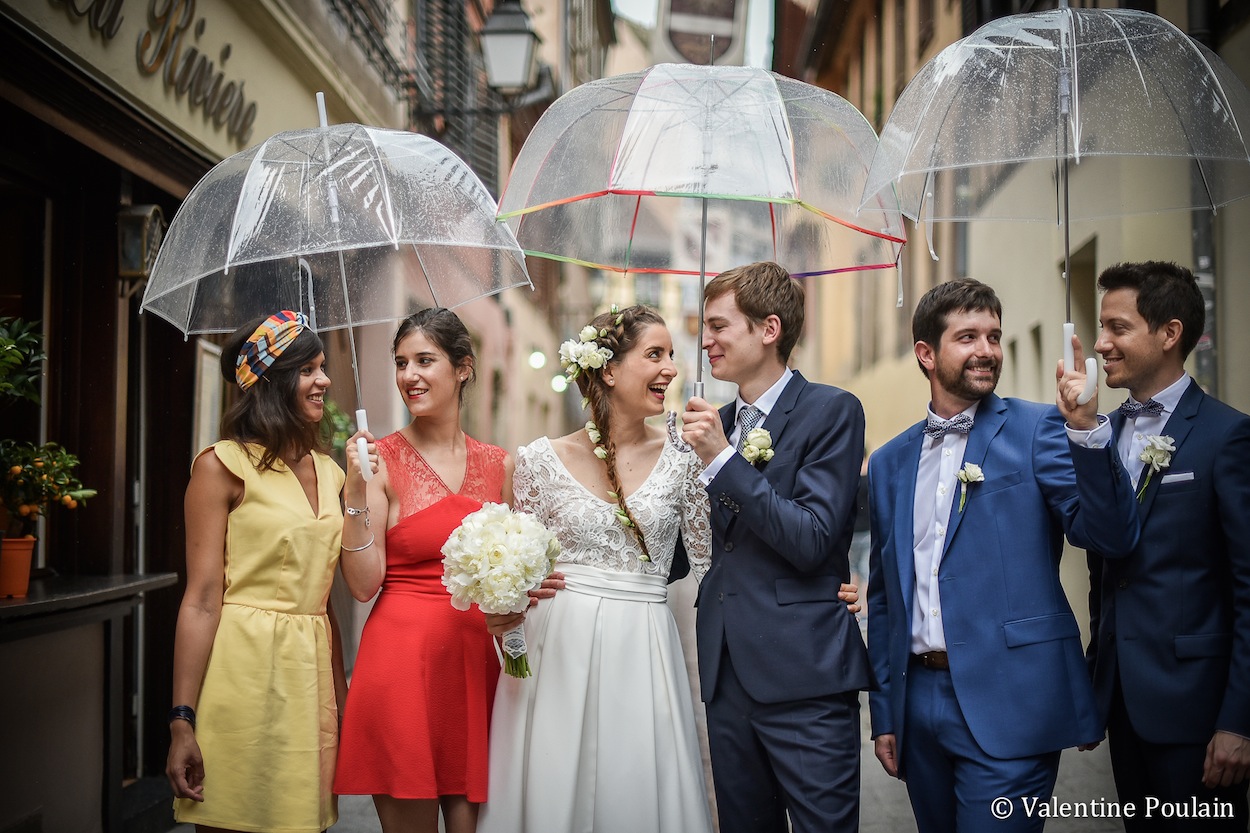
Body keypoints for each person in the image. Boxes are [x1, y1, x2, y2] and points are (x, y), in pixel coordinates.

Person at [865, 278, 1140, 832]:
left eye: (993, 336)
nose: (987, 350)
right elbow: (884, 593)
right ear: (926, 353)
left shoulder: (1040, 427)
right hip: (919, 704)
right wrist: (885, 711)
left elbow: (1109, 537)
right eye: (967, 337)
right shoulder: (891, 461)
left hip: (1013, 699)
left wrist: (1087, 432)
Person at [477, 305, 716, 833]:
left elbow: (715, 567)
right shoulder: (537, 461)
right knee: (552, 782)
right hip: (556, 651)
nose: (670, 368)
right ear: (608, 369)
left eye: (671, 355)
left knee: (635, 788)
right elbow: (515, 573)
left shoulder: (685, 458)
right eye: (654, 354)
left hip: (644, 648)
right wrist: (505, 623)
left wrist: (823, 587)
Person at [680, 261, 872, 833]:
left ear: (769, 329)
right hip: (726, 675)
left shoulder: (832, 411)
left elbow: (812, 538)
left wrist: (722, 459)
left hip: (805, 675)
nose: (705, 341)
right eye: (705, 327)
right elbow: (685, 546)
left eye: (719, 326)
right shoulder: (713, 424)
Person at [167, 310, 364, 832]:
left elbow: (325, 601)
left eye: (323, 367)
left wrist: (344, 704)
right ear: (270, 381)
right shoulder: (221, 465)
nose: (324, 381)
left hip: (309, 678)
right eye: (308, 370)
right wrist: (182, 720)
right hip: (241, 670)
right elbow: (201, 600)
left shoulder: (333, 472)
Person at [333, 308, 515, 833]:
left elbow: (515, 578)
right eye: (400, 363)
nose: (409, 375)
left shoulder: (500, 464)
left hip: (476, 665)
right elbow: (363, 585)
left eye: (424, 361)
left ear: (463, 368)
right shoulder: (379, 462)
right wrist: (355, 490)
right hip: (401, 665)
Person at [1086, 261, 1250, 831]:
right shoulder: (1100, 434)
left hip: (1199, 714)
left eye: (1118, 328)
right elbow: (1105, 575)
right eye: (1101, 328)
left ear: (1170, 333)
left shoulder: (1228, 436)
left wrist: (1239, 721)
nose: (1101, 344)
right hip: (1123, 706)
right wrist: (1096, 684)